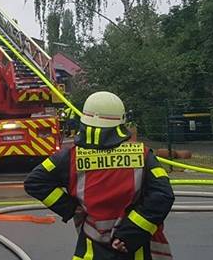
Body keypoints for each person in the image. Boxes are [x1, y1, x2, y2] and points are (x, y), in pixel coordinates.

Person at [24, 91, 174, 260]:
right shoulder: (143, 155)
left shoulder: (69, 157)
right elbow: (163, 195)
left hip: (90, 250)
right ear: (121, 120)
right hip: (133, 249)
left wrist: (70, 208)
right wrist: (132, 231)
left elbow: (34, 182)